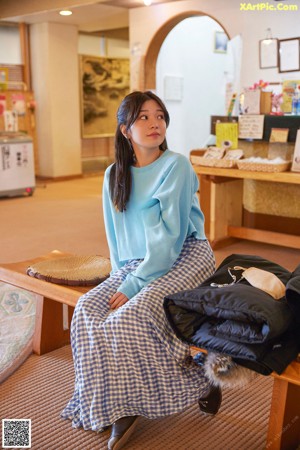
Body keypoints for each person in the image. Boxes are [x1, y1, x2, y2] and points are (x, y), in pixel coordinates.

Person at [61, 91, 218, 449]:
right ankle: (105, 401)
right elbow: (116, 238)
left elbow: (169, 241)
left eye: (159, 116)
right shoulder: (114, 174)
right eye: (143, 117)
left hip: (185, 255)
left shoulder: (176, 166)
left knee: (129, 317)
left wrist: (133, 287)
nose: (154, 124)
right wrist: (120, 277)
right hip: (137, 263)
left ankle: (191, 383)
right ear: (124, 129)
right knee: (87, 309)